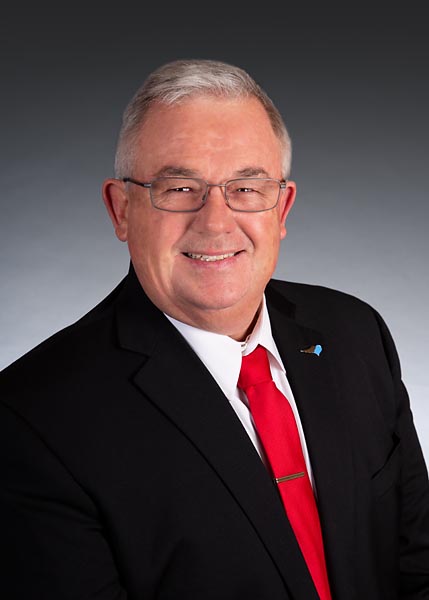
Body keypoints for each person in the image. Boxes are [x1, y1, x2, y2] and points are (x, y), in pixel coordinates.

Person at [1, 59, 428, 600]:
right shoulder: (31, 420)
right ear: (121, 209)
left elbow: (417, 565)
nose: (216, 222)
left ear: (282, 208)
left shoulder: (355, 335)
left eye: (246, 188)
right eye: (180, 188)